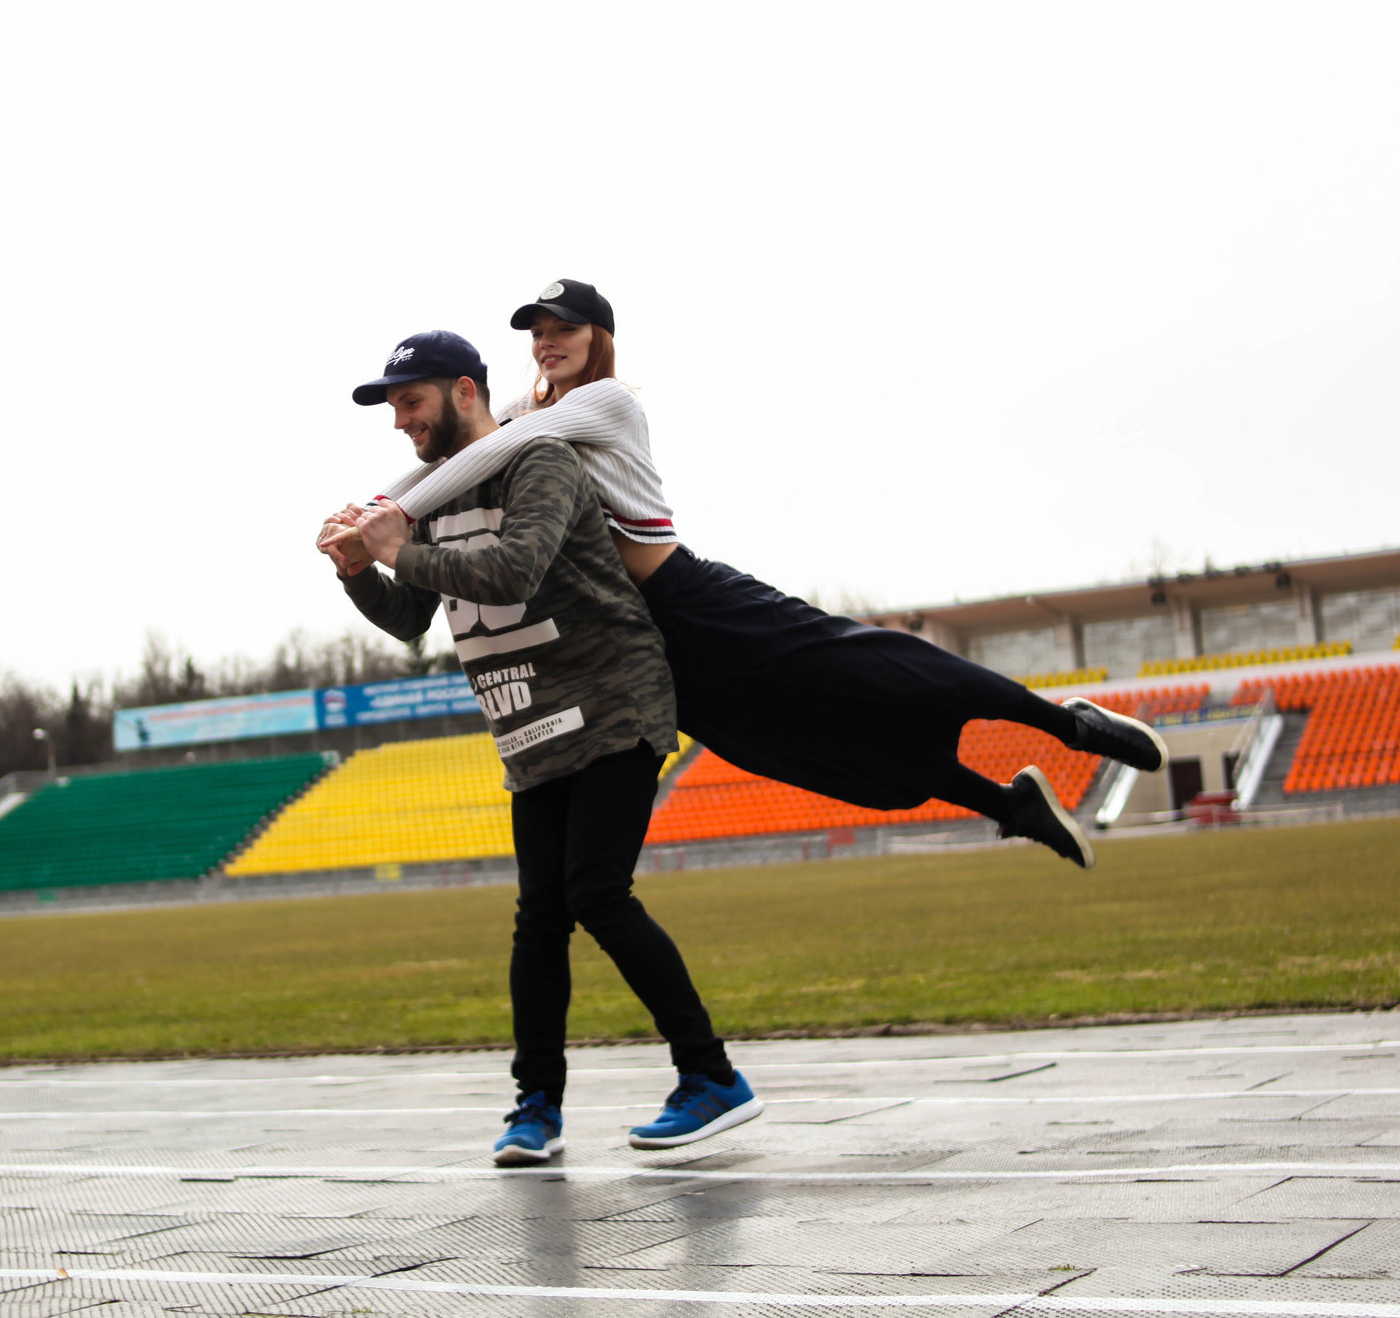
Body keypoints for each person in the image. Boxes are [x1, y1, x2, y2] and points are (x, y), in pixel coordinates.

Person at [322, 281, 1169, 871]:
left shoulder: (604, 402)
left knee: (865, 665)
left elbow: (489, 448)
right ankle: (1008, 806)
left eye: (564, 326)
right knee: (804, 744)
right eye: (537, 331)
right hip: (641, 640)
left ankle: (1065, 723)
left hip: (692, 596)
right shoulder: (523, 418)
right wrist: (366, 517)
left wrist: (379, 522)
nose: (547, 341)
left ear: (599, 336)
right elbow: (461, 458)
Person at [325, 328, 762, 1166]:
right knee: (538, 920)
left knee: (596, 893)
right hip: (529, 726)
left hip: (608, 700)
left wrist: (394, 543)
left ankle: (712, 1077)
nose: (398, 423)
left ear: (462, 391)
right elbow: (413, 621)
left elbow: (517, 569)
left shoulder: (540, 459)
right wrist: (359, 570)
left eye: (408, 402)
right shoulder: (430, 495)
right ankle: (537, 1106)